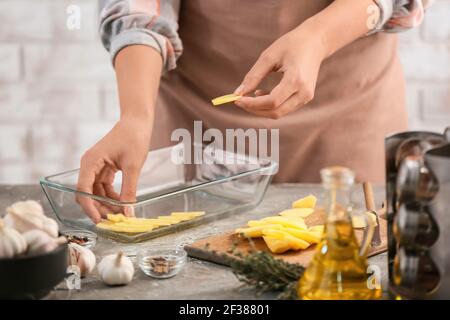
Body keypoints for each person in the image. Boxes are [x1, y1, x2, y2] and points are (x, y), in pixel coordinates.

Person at [78, 0, 432, 222]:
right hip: (196, 121)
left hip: (349, 115)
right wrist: (135, 117)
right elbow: (138, 7)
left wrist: (319, 37)